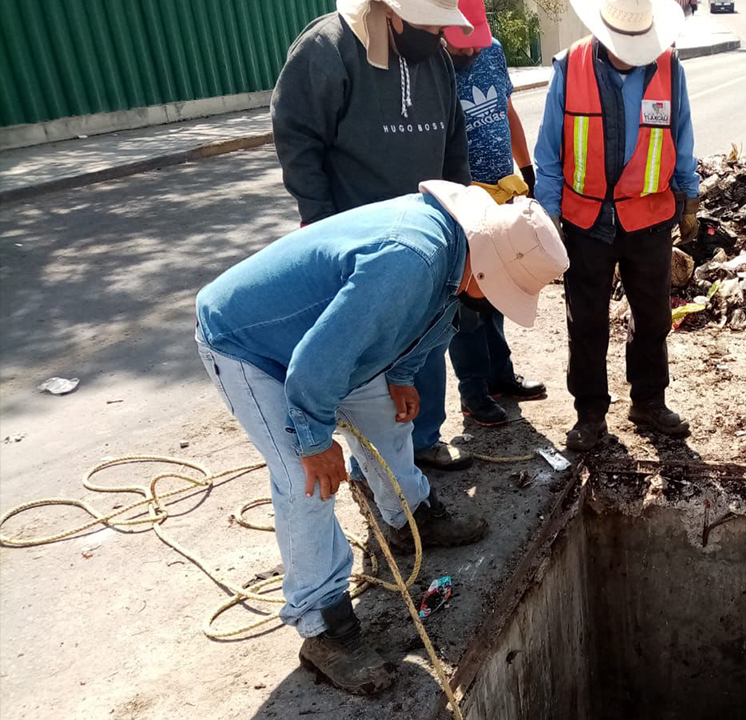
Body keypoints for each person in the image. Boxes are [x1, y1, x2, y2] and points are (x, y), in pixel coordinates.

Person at [194, 183, 569, 695]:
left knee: (390, 419)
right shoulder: (409, 259)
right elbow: (316, 361)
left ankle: (408, 517)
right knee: (306, 482)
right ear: (487, 266)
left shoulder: (455, 254)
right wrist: (312, 439)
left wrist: (402, 374)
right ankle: (323, 626)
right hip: (251, 345)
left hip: (323, 345)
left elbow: (432, 321)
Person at [271, 0, 476, 471]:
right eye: (430, 22)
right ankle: (377, 465)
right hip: (358, 245)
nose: (438, 33)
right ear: (390, 12)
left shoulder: (436, 59)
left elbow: (453, 143)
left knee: (426, 339)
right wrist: (320, 224)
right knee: (368, 353)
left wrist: (460, 211)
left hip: (429, 236)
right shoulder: (328, 48)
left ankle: (423, 439)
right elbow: (297, 140)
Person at [533, 0, 701, 451]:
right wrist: (548, 212)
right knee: (586, 322)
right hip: (586, 220)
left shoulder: (669, 68)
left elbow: (681, 136)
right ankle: (590, 414)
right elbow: (548, 151)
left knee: (652, 317)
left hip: (648, 218)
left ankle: (648, 400)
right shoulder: (571, 67)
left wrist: (690, 197)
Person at [441, 0, 547, 426]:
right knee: (467, 300)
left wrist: (526, 170)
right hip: (461, 202)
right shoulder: (431, 66)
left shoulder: (493, 51)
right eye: (459, 44)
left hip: (501, 195)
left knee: (498, 292)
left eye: (474, 43)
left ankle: (500, 376)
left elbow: (506, 113)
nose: (468, 52)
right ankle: (474, 392)